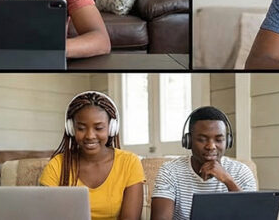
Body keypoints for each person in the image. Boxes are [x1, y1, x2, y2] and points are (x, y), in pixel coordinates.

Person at [40, 91, 144, 220]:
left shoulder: (129, 163)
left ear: (112, 128)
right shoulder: (57, 166)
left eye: (99, 128)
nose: (90, 136)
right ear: (71, 128)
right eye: (81, 128)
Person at [151, 107, 257, 220]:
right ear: (188, 141)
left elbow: (253, 217)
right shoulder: (170, 171)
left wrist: (227, 180)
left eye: (219, 140)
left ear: (228, 141)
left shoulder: (241, 172)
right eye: (202, 139)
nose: (211, 146)